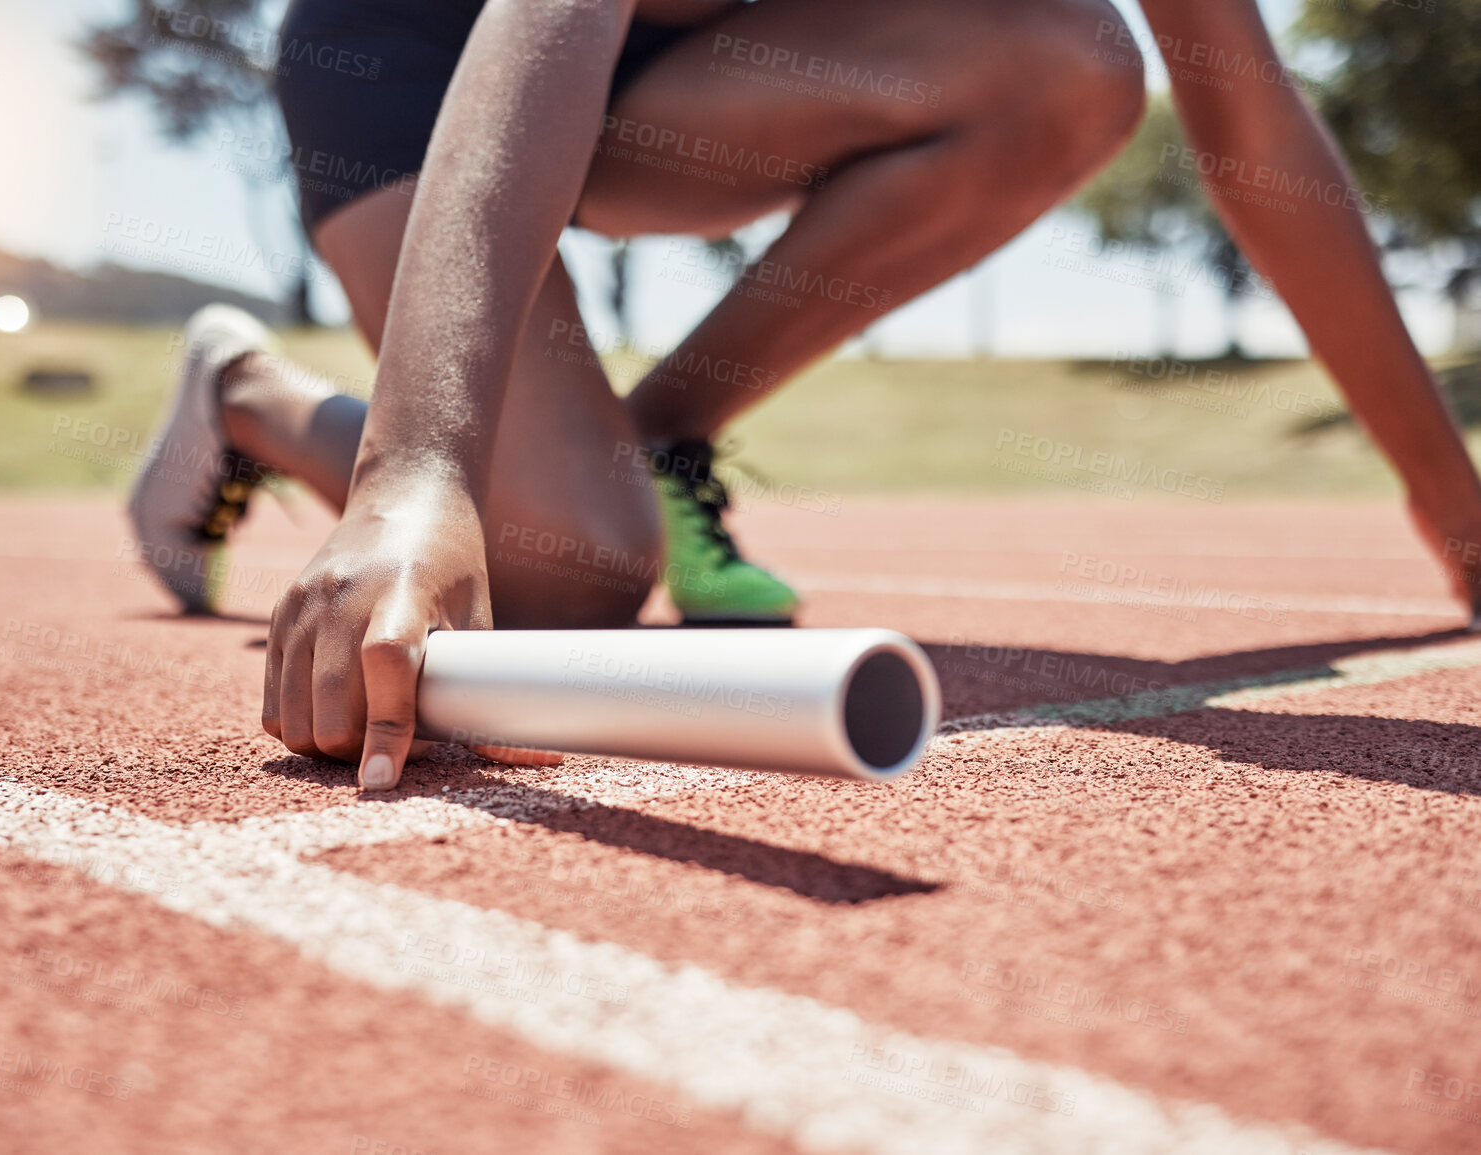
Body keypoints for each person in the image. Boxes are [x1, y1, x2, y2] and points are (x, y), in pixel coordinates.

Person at [129, 0, 1481, 793]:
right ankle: (250, 392)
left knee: (1073, 66)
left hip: (698, 75)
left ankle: (657, 438)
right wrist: (413, 473)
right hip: (427, 71)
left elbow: (1251, 130)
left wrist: (1449, 492)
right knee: (569, 576)